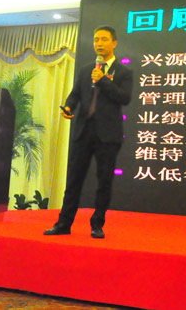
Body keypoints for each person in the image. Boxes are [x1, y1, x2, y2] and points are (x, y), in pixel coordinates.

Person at [44, 25, 133, 239]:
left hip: (108, 135)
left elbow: (124, 98)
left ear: (114, 43)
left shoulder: (123, 72)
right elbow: (75, 94)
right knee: (73, 180)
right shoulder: (86, 70)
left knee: (104, 182)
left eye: (104, 39)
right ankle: (64, 223)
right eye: (96, 40)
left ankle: (97, 224)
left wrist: (102, 80)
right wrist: (68, 106)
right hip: (83, 131)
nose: (99, 43)